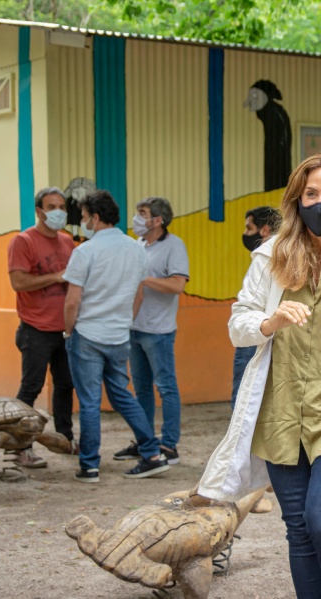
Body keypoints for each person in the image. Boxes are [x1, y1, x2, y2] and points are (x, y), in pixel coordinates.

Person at [197, 154, 321, 598]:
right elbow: (238, 326)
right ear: (297, 199)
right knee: (298, 530)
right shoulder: (270, 257)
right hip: (280, 414)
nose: (320, 203)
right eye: (311, 194)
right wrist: (270, 322)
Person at [63, 190, 171, 483]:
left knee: (88, 402)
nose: (83, 222)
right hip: (119, 333)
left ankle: (89, 466)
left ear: (95, 218)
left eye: (84, 217)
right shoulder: (136, 249)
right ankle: (151, 454)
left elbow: (72, 300)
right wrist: (125, 321)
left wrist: (69, 329)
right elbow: (138, 293)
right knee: (123, 395)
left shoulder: (84, 252)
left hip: (87, 333)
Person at [112, 197, 189, 466]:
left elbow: (178, 285)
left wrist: (143, 279)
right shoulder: (139, 245)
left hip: (159, 330)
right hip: (134, 326)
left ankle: (169, 444)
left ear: (158, 220)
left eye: (142, 214)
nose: (136, 218)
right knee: (141, 389)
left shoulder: (174, 246)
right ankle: (144, 440)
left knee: (166, 387)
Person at [6, 187, 77, 468]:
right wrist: (55, 276)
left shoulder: (68, 242)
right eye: (52, 206)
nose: (58, 211)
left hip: (65, 329)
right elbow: (19, 282)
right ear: (39, 211)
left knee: (65, 385)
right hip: (35, 328)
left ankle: (65, 439)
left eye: (61, 206)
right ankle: (20, 447)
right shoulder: (23, 241)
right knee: (31, 388)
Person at [231, 205, 281, 409]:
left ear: (265, 230)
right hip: (258, 329)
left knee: (244, 399)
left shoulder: (269, 258)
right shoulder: (265, 258)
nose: (245, 234)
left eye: (248, 228)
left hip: (260, 332)